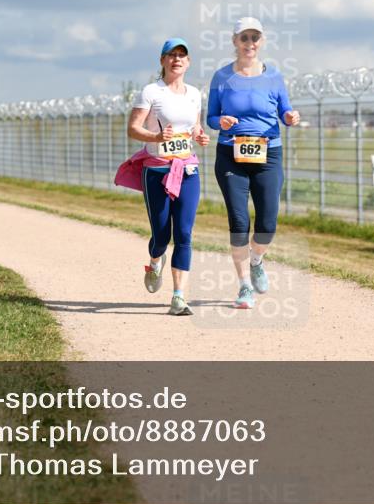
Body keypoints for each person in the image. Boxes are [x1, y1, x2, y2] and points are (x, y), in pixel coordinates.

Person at [206, 17, 300, 310]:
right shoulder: (221, 78)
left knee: (268, 222)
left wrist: (290, 117)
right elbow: (210, 118)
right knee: (239, 221)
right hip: (230, 155)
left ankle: (257, 259)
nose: (250, 43)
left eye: (255, 38)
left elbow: (285, 110)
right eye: (244, 38)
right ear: (234, 41)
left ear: (262, 42)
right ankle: (244, 285)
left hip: (268, 154)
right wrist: (219, 121)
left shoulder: (274, 77)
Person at [115, 38, 209, 316]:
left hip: (188, 169)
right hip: (156, 170)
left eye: (182, 55)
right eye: (171, 55)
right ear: (162, 61)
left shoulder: (194, 93)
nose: (177, 59)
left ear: (188, 62)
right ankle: (155, 260)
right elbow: (133, 129)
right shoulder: (150, 92)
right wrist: (156, 136)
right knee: (161, 234)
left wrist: (200, 136)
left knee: (184, 233)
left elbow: (195, 127)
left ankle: (178, 297)